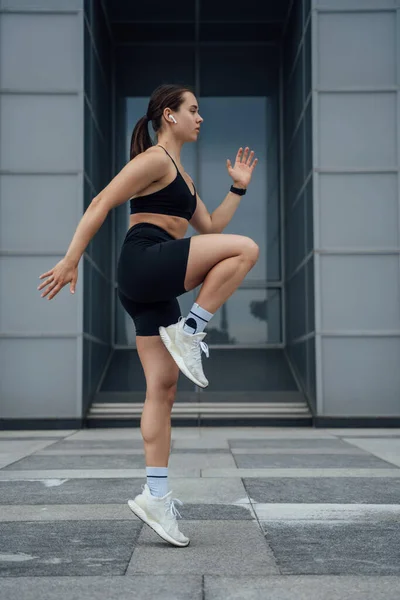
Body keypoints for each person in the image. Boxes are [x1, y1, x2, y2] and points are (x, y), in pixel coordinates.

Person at [37, 83, 259, 548]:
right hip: (145, 262)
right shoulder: (156, 160)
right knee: (245, 250)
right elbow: (101, 202)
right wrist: (71, 258)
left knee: (162, 390)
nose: (200, 118)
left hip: (152, 285)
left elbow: (213, 226)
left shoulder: (183, 176)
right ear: (168, 115)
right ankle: (192, 329)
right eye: (193, 110)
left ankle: (155, 494)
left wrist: (238, 186)